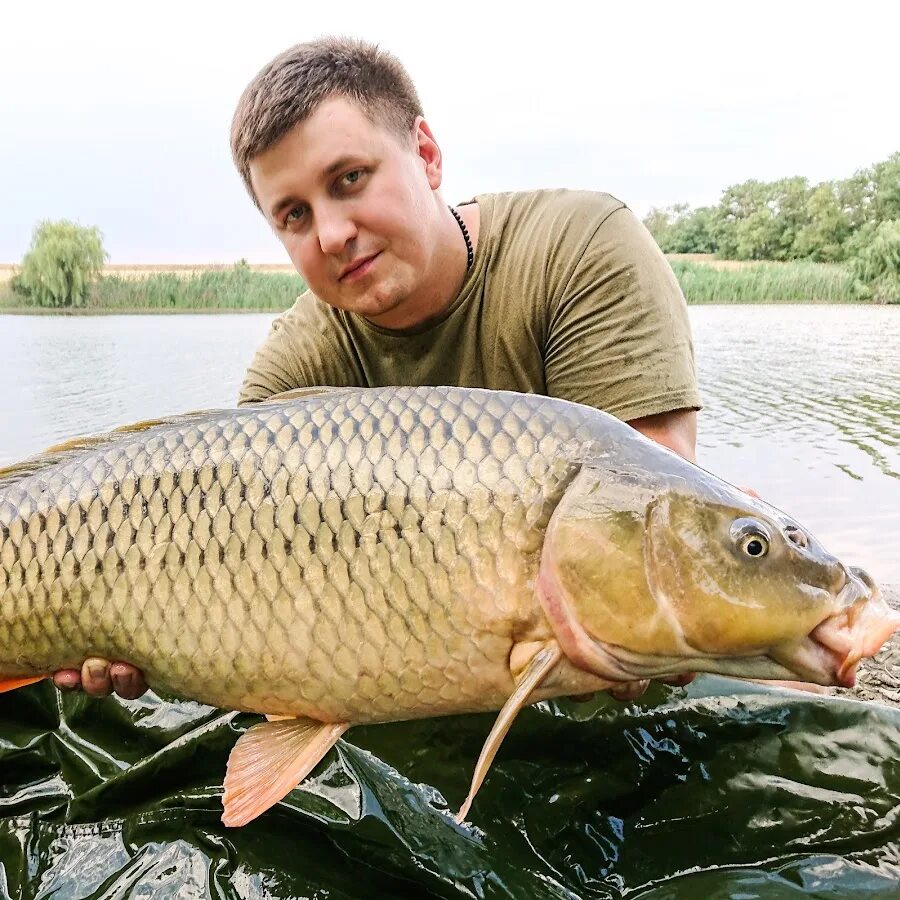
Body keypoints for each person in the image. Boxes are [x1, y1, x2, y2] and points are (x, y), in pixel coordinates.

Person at [53, 36, 700, 701]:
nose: (332, 234)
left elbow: (663, 542)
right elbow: (248, 584)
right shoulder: (296, 363)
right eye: (295, 215)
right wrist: (144, 635)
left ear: (426, 154)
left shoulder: (580, 248)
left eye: (349, 180)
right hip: (379, 678)